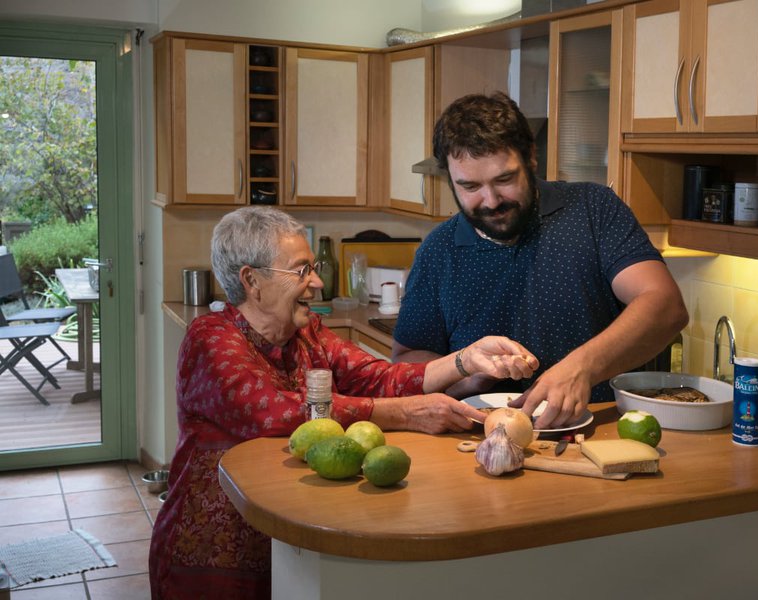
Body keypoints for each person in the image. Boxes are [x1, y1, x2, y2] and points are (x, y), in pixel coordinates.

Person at [149, 206, 537, 600]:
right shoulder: (211, 338)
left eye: (312, 267)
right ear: (252, 280)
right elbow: (274, 412)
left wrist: (464, 359)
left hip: (288, 541)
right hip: (212, 555)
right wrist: (405, 414)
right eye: (301, 270)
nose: (317, 281)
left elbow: (380, 377)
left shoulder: (309, 334)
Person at [393, 92, 689, 430]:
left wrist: (581, 367)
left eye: (504, 180)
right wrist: (463, 375)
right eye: (470, 186)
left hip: (596, 436)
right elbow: (406, 362)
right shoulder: (439, 250)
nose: (491, 201)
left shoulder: (592, 209)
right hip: (477, 446)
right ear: (450, 179)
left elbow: (665, 305)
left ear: (531, 158)